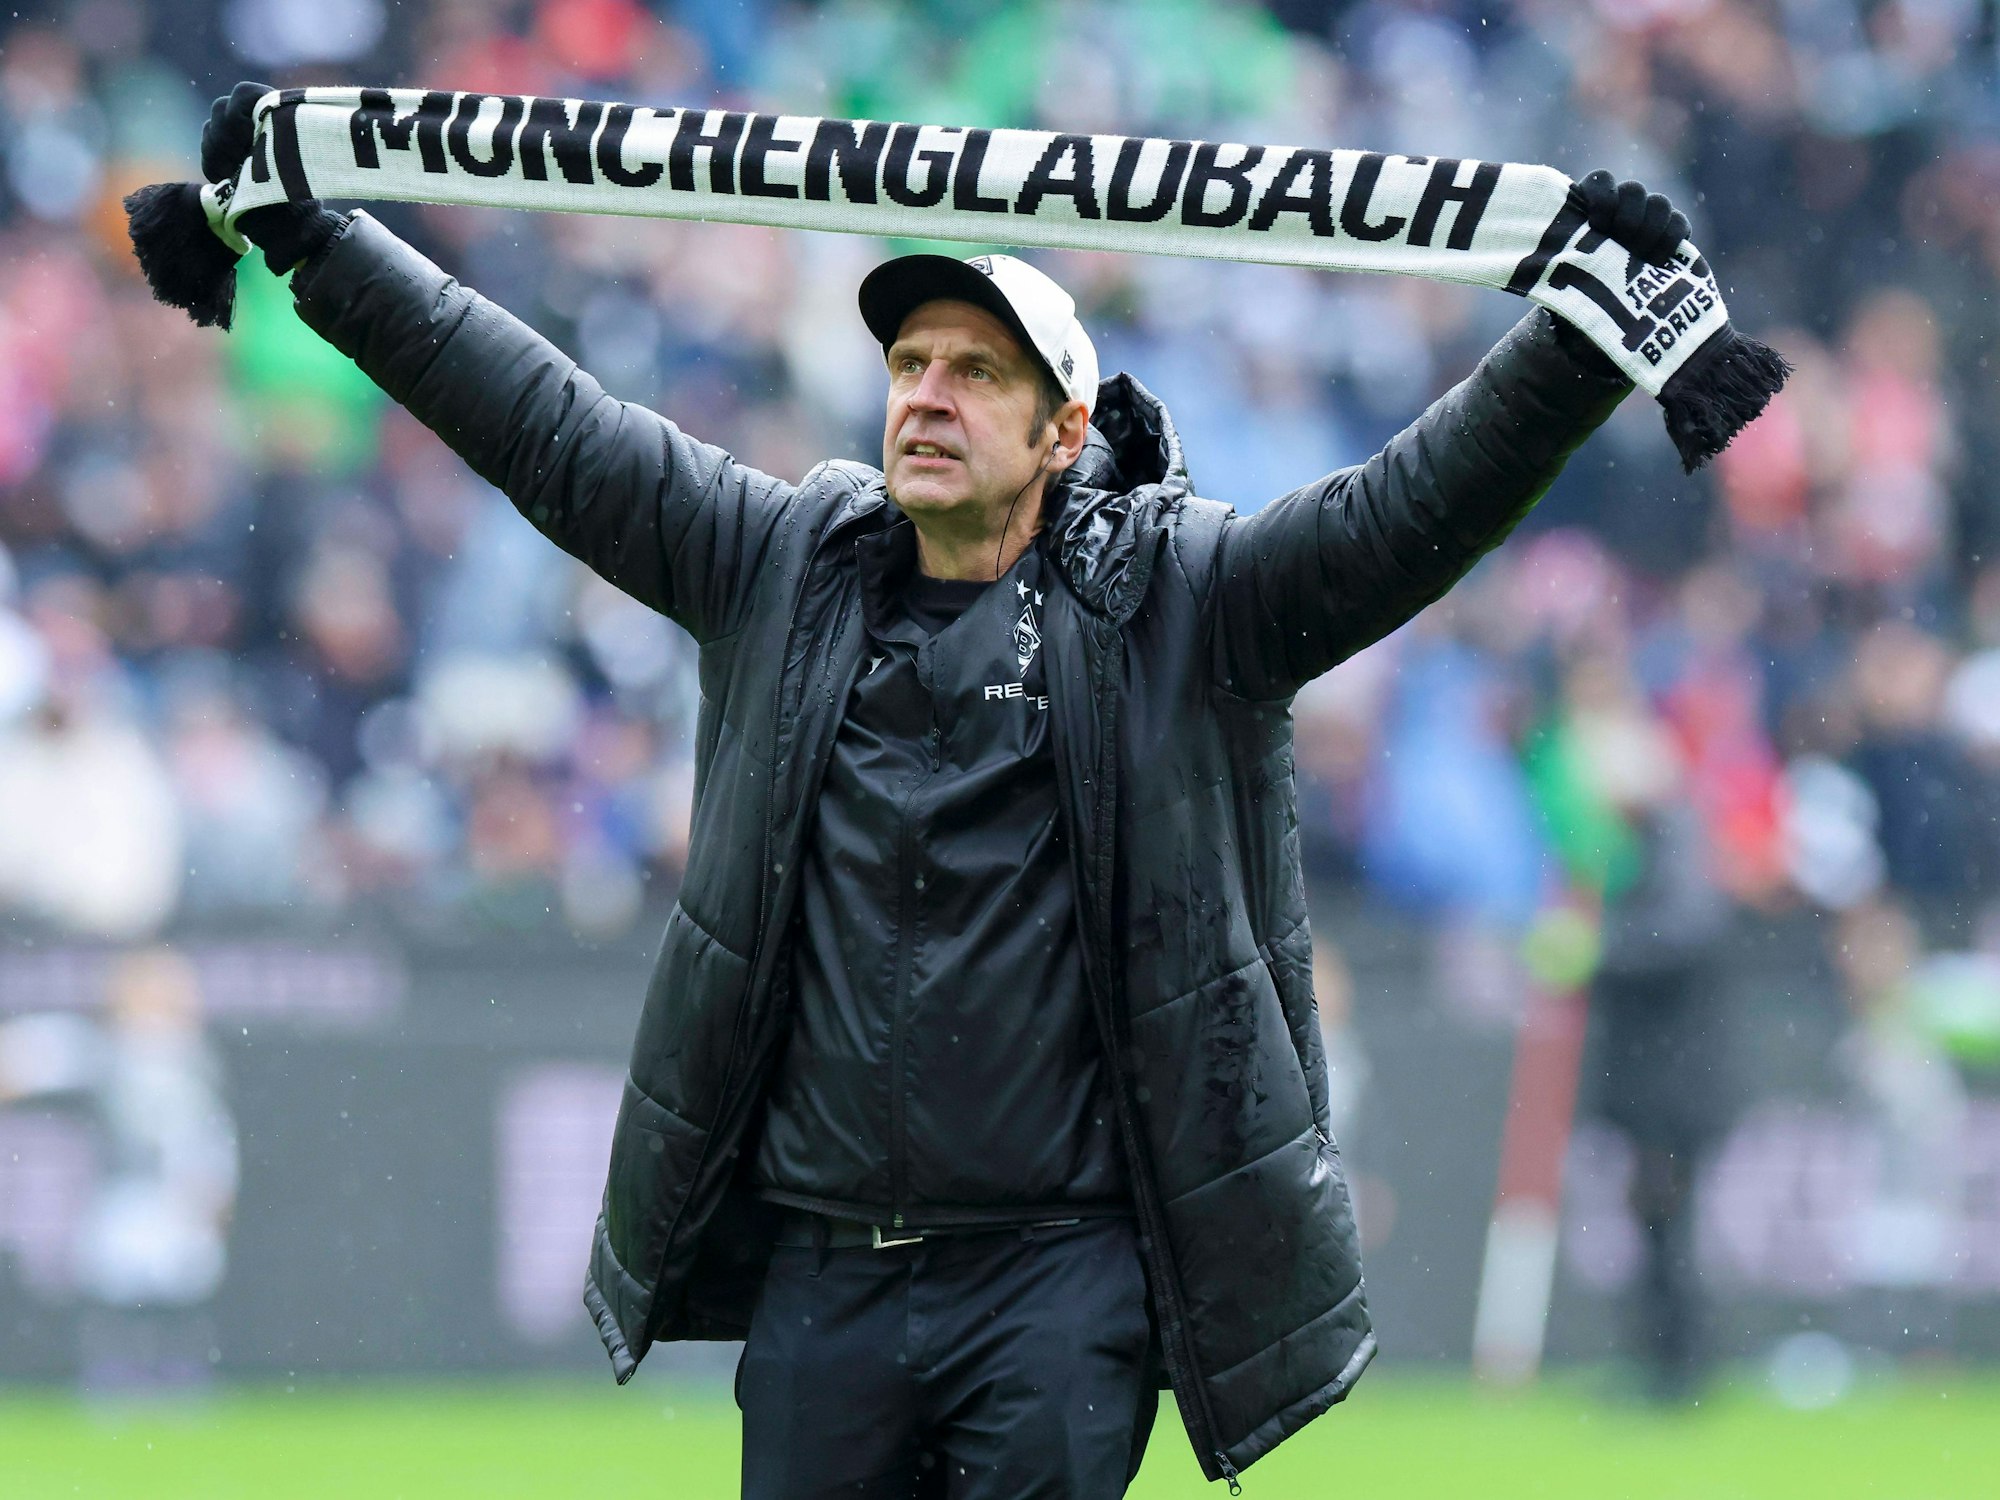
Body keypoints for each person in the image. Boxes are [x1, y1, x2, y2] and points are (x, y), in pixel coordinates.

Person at [202, 82, 1685, 1495]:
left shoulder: (1193, 598)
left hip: (1060, 1278)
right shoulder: (775, 563)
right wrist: (313, 242)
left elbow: (1413, 509)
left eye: (976, 371)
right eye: (909, 364)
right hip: (824, 1277)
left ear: (1063, 430)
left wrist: (1575, 340)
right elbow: (540, 421)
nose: (926, 395)